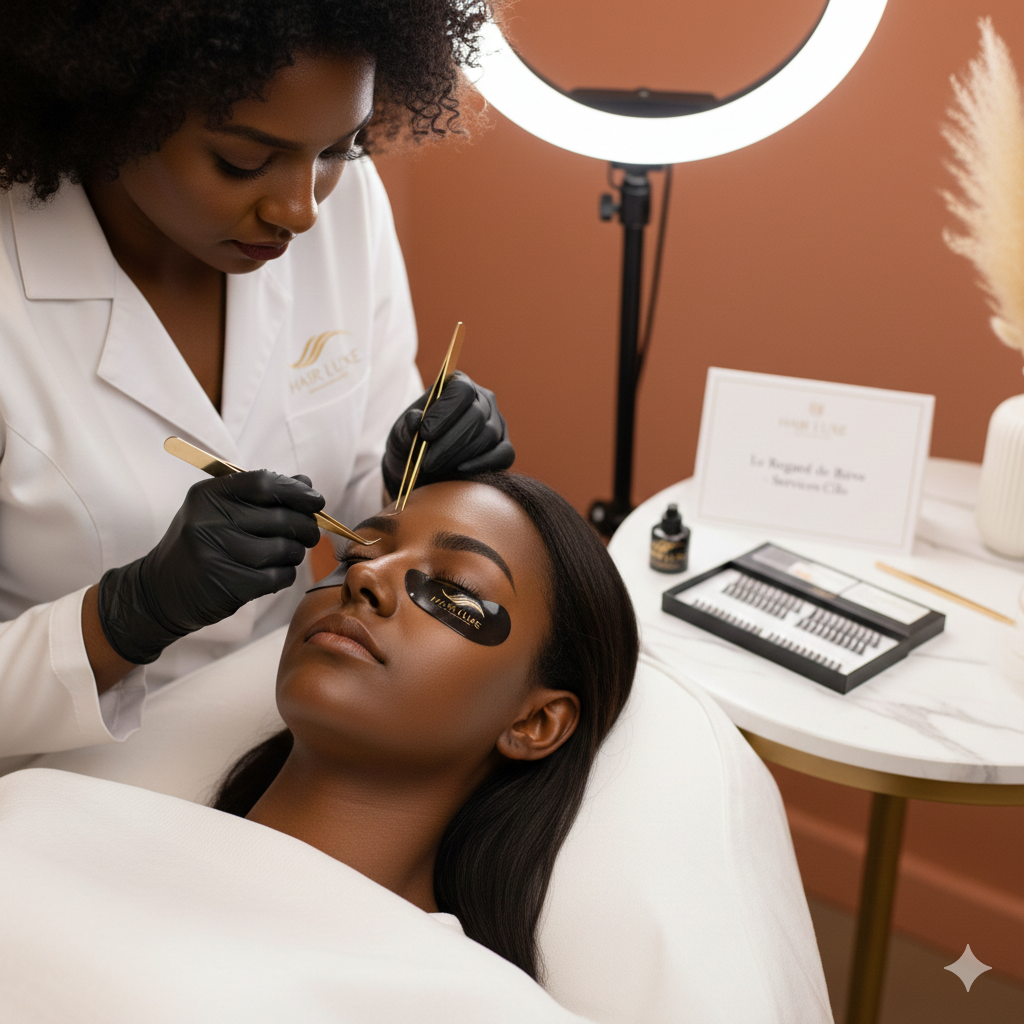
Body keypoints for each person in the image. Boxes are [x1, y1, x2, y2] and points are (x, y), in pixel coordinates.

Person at [0, 1, 514, 764]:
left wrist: (421, 478)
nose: (301, 211)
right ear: (110, 105)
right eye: (242, 162)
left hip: (273, 730)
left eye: (339, 148)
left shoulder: (343, 202)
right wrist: (124, 617)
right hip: (52, 780)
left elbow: (366, 503)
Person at [0, 474, 638, 1018]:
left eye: (453, 589)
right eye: (354, 551)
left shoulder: (477, 1004)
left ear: (537, 722)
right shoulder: (38, 811)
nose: (366, 575)